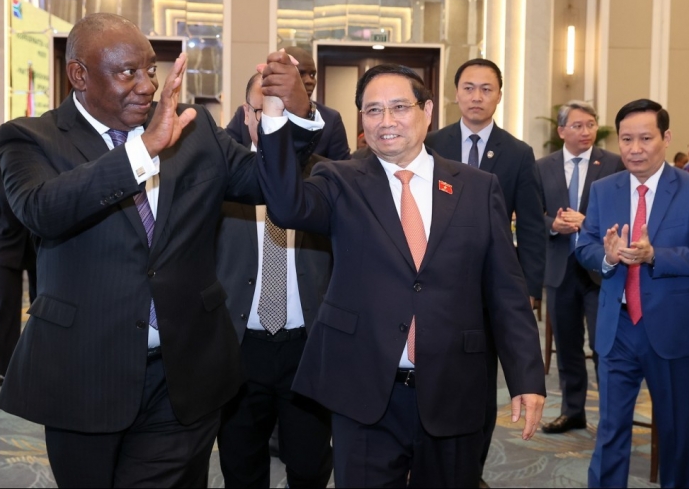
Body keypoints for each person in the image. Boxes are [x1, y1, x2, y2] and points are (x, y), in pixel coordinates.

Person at [0, 13, 320, 488]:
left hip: (183, 372)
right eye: (128, 72)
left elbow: (270, 184)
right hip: (84, 372)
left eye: (150, 69)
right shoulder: (30, 137)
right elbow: (42, 209)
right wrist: (144, 149)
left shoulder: (194, 129)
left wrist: (288, 114)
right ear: (79, 75)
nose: (147, 85)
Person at [256, 63, 546, 487]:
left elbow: (506, 291)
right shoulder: (340, 179)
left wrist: (527, 377)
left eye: (399, 107)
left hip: (452, 387)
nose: (386, 121)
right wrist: (273, 114)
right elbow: (285, 206)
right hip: (364, 388)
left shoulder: (478, 187)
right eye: (373, 111)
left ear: (427, 111)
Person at [576, 99, 689, 488]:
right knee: (610, 430)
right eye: (626, 139)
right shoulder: (604, 189)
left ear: (666, 137)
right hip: (618, 328)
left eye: (645, 138)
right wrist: (607, 258)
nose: (635, 148)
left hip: (674, 331)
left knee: (677, 433)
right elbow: (585, 245)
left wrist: (655, 255)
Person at [424, 58, 546, 481]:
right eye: (469, 87)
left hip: (490, 285)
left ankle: (470, 467)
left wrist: (529, 289)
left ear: (499, 95)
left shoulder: (518, 153)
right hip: (435, 281)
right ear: (455, 93)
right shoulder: (431, 142)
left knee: (479, 379)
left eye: (486, 89)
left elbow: (531, 228)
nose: (477, 97)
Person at [216, 72, 333, 488]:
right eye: (265, 109)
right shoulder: (221, 178)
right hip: (239, 347)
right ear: (248, 115)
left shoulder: (326, 177)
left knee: (310, 466)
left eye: (285, 110)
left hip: (307, 347)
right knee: (241, 466)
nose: (275, 120)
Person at [534, 101, 623, 434]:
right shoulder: (542, 166)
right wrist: (553, 225)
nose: (586, 131)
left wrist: (589, 223)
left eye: (591, 124)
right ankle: (573, 411)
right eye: (577, 125)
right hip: (560, 267)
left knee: (603, 346)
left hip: (601, 269)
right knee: (568, 345)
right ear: (561, 131)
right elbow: (531, 214)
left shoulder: (613, 163)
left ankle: (611, 416)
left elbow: (624, 212)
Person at [226, 46, 351, 160]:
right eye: (300, 73)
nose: (310, 81)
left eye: (312, 74)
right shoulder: (249, 112)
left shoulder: (330, 119)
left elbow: (341, 169)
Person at [0, 162, 37, 387]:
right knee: (5, 307)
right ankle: (5, 370)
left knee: (41, 306)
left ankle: (40, 363)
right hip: (6, 246)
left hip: (40, 245)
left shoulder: (38, 159)